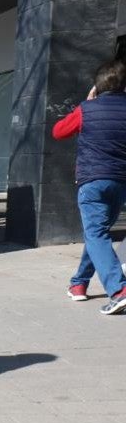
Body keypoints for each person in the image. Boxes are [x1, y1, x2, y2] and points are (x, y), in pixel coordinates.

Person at [53, 59, 126, 314]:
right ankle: (79, 285)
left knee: (96, 234)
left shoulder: (87, 109)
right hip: (120, 182)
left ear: (96, 87)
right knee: (98, 234)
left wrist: (85, 105)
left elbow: (58, 131)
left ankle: (118, 290)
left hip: (92, 181)